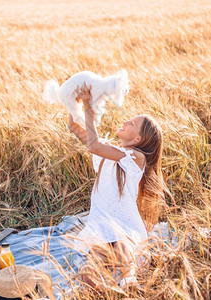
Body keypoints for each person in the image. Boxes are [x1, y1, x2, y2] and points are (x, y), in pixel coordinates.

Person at [68, 82, 171, 290]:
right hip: (101, 224)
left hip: (123, 224)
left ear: (137, 139)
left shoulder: (136, 157)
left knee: (122, 246)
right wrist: (74, 103)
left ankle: (129, 282)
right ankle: (99, 288)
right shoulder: (110, 152)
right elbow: (73, 127)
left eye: (131, 123)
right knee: (89, 269)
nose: (125, 121)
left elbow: (93, 145)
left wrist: (89, 107)